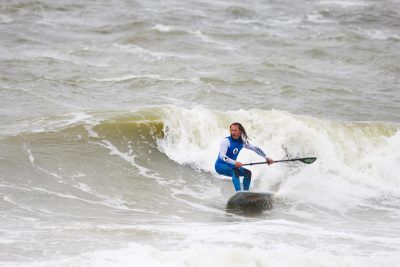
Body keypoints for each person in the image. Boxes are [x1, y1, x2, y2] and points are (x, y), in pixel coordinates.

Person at [215, 122, 274, 191]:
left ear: (240, 131)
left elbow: (255, 148)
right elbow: (222, 156)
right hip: (220, 166)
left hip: (232, 166)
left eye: (235, 130)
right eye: (231, 130)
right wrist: (235, 163)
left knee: (248, 173)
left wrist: (267, 158)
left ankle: (246, 194)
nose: (233, 132)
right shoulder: (226, 141)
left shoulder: (242, 141)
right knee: (235, 171)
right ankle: (239, 193)